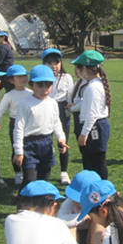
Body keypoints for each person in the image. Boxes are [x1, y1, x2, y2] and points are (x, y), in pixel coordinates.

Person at [13, 65, 69, 191]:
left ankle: (41, 206)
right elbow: (18, 129)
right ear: (30, 85)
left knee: (44, 180)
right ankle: (23, 206)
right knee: (29, 181)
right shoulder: (25, 104)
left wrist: (61, 138)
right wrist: (18, 151)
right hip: (30, 145)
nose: (44, 89)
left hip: (46, 143)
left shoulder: (52, 102)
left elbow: (56, 122)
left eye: (48, 85)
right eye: (40, 85)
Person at [73, 51, 111, 180]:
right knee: (90, 162)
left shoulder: (93, 87)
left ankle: (103, 192)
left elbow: (92, 113)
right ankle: (92, 190)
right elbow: (87, 104)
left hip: (95, 127)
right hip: (95, 126)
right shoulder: (95, 84)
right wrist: (74, 107)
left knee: (97, 163)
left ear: (84, 69)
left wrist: (84, 134)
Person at [0, 64, 32, 185]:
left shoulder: (31, 93)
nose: (24, 78)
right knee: (17, 149)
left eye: (25, 75)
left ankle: (30, 171)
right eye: (19, 76)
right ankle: (18, 173)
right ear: (11, 80)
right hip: (15, 124)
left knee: (29, 148)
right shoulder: (9, 95)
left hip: (30, 124)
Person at [42, 48, 75, 185]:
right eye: (49, 62)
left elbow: (70, 94)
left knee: (63, 141)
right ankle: (44, 172)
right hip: (46, 109)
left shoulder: (67, 77)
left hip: (62, 109)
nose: (54, 66)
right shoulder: (41, 78)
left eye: (57, 62)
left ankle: (64, 172)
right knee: (45, 141)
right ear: (44, 64)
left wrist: (71, 105)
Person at [57, 170, 105, 244]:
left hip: (94, 238)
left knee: (97, 222)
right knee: (71, 227)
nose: (79, 203)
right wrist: (81, 217)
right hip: (77, 238)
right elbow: (59, 219)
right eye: (76, 199)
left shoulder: (100, 205)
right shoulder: (69, 203)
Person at [68, 64, 90, 170]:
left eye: (78, 68)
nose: (75, 70)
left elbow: (85, 103)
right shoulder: (79, 82)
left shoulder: (89, 85)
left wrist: (73, 107)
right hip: (77, 117)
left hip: (85, 117)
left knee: (88, 150)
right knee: (83, 150)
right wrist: (70, 103)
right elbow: (71, 94)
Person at [0, 30, 15, 100]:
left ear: (4, 37)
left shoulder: (2, 48)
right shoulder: (7, 47)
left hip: (3, 73)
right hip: (8, 72)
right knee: (10, 91)